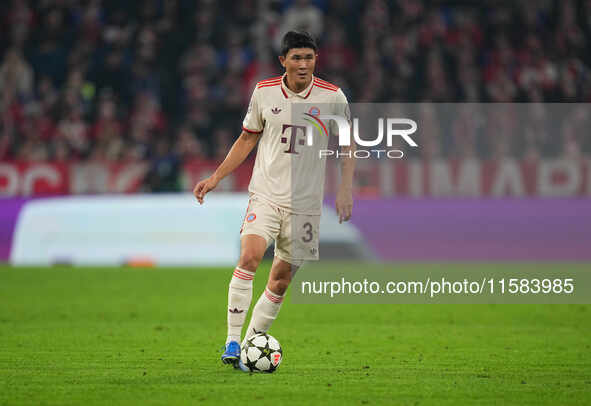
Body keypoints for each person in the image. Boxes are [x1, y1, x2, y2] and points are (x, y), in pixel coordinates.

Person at [193, 31, 355, 370]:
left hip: (307, 207)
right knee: (250, 256)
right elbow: (246, 138)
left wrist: (344, 189)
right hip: (265, 195)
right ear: (283, 60)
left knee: (280, 280)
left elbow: (347, 145)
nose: (303, 64)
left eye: (308, 58)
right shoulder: (264, 92)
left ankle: (251, 344)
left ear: (316, 60)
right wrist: (215, 178)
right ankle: (233, 340)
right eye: (296, 58)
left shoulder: (333, 97)